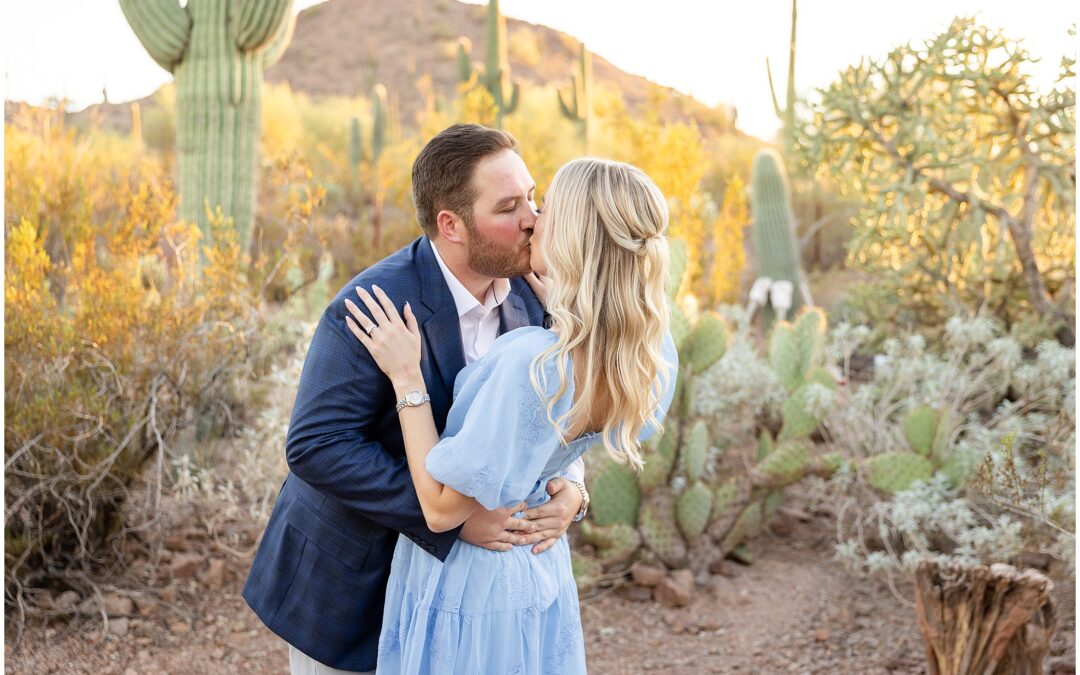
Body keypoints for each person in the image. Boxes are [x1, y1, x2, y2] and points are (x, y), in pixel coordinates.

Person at [243, 124, 591, 675]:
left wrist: (572, 485)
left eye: (532, 196)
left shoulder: (538, 292)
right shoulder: (373, 304)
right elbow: (317, 446)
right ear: (451, 224)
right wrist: (451, 517)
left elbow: (549, 409)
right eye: (507, 207)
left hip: (466, 603)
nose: (531, 218)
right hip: (355, 586)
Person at [345, 157, 679, 674]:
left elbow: (439, 509)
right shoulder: (649, 354)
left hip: (471, 587)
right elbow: (557, 439)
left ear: (571, 236)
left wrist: (407, 380)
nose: (531, 219)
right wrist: (574, 487)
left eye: (544, 208)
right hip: (539, 569)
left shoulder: (531, 362)